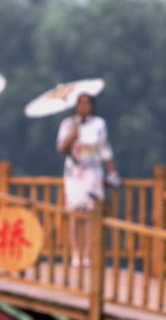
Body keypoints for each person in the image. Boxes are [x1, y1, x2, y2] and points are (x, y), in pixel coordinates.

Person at [57, 93, 121, 266]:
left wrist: (112, 171)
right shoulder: (68, 124)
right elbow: (61, 148)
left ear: (92, 106)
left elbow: (104, 149)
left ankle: (88, 254)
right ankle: (75, 253)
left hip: (93, 171)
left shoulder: (99, 124)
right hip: (74, 172)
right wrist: (73, 134)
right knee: (75, 212)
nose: (84, 106)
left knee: (91, 212)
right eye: (81, 103)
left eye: (87, 103)